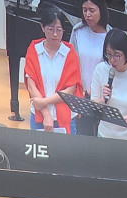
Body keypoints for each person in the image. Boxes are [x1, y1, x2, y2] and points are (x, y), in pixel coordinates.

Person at [24, 4, 82, 133]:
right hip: (39, 116)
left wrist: (43, 102)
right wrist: (46, 114)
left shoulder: (70, 54)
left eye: (59, 30)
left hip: (65, 117)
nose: (55, 34)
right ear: (42, 27)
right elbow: (32, 86)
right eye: (51, 29)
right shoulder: (34, 50)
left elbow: (70, 90)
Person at [69, 0, 108, 136]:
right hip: (79, 94)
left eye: (92, 10)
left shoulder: (110, 35)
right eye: (84, 10)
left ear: (101, 10)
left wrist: (94, 92)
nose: (87, 14)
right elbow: (70, 62)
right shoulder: (77, 30)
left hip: (100, 97)